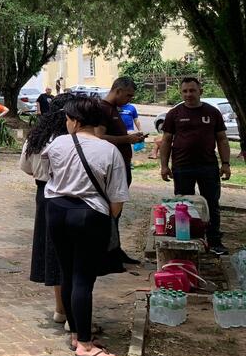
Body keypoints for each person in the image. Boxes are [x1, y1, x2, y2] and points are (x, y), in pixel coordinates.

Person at [43, 96, 129, 356]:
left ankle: (76, 334)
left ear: (76, 121)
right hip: (89, 215)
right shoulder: (108, 151)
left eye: (67, 119)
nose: (66, 123)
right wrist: (107, 222)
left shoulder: (57, 143)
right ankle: (85, 344)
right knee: (83, 278)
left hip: (56, 210)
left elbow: (45, 173)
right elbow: (117, 199)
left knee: (68, 273)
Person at [159, 77, 233, 255]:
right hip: (182, 167)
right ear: (181, 93)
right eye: (185, 91)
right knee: (183, 205)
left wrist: (225, 164)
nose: (188, 94)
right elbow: (166, 140)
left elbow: (222, 139)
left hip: (208, 167)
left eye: (192, 90)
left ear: (201, 91)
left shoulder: (212, 112)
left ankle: (214, 241)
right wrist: (164, 166)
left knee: (212, 204)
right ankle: (187, 241)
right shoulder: (174, 113)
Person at [19, 94, 74, 326]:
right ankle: (73, 314)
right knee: (71, 254)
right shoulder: (71, 140)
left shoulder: (37, 137)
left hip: (43, 195)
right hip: (69, 196)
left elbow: (26, 167)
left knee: (53, 253)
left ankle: (60, 309)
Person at [96, 77, 146, 267]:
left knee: (117, 212)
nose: (129, 100)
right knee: (111, 211)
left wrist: (129, 138)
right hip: (112, 168)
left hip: (122, 165)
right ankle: (108, 253)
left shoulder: (114, 109)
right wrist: (127, 140)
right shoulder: (102, 108)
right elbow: (99, 137)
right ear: (117, 90)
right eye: (128, 95)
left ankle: (115, 249)